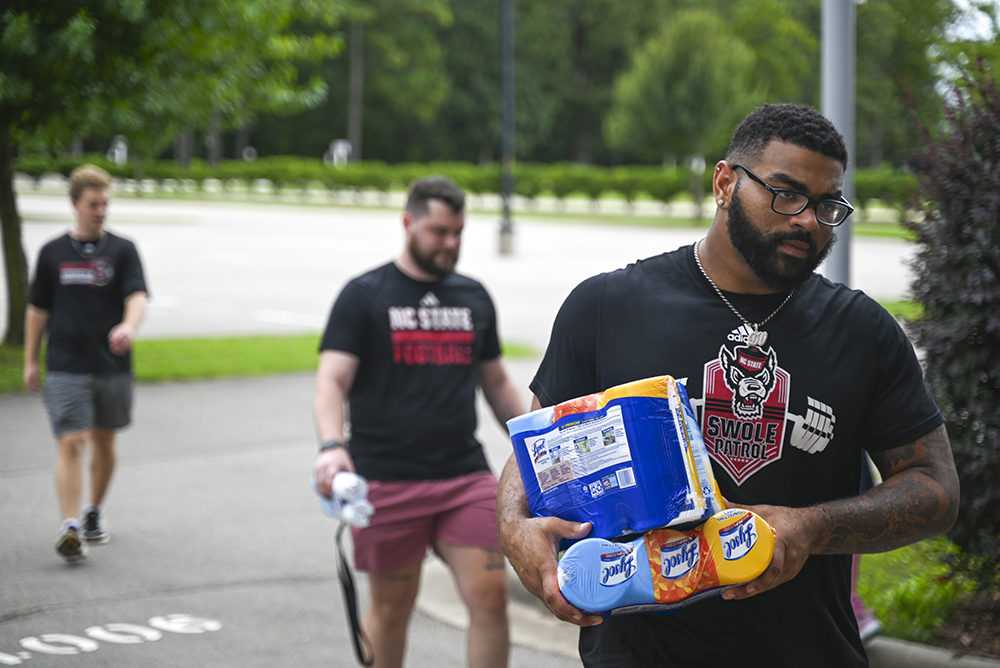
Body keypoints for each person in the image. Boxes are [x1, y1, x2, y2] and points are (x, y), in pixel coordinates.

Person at [496, 103, 959, 667]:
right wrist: (515, 527)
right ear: (724, 182)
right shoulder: (605, 308)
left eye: (827, 205)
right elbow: (535, 457)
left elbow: (936, 490)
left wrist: (811, 527)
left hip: (808, 653)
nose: (808, 220)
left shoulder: (862, 332)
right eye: (786, 194)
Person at [312, 175, 525, 668]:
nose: (450, 244)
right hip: (385, 480)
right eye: (438, 232)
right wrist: (331, 445)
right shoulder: (364, 296)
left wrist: (540, 442)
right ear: (408, 223)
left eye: (458, 233)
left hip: (462, 475)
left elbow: (495, 383)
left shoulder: (473, 297)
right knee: (391, 611)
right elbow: (331, 382)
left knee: (491, 596)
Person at [24, 164, 149, 563]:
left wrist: (128, 326)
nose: (101, 211)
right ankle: (70, 526)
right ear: (75, 204)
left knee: (104, 440)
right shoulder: (53, 252)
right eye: (93, 204)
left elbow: (138, 296)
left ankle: (93, 509)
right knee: (72, 442)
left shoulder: (123, 250)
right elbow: (37, 309)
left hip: (110, 364)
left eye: (105, 204)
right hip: (64, 364)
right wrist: (30, 359)